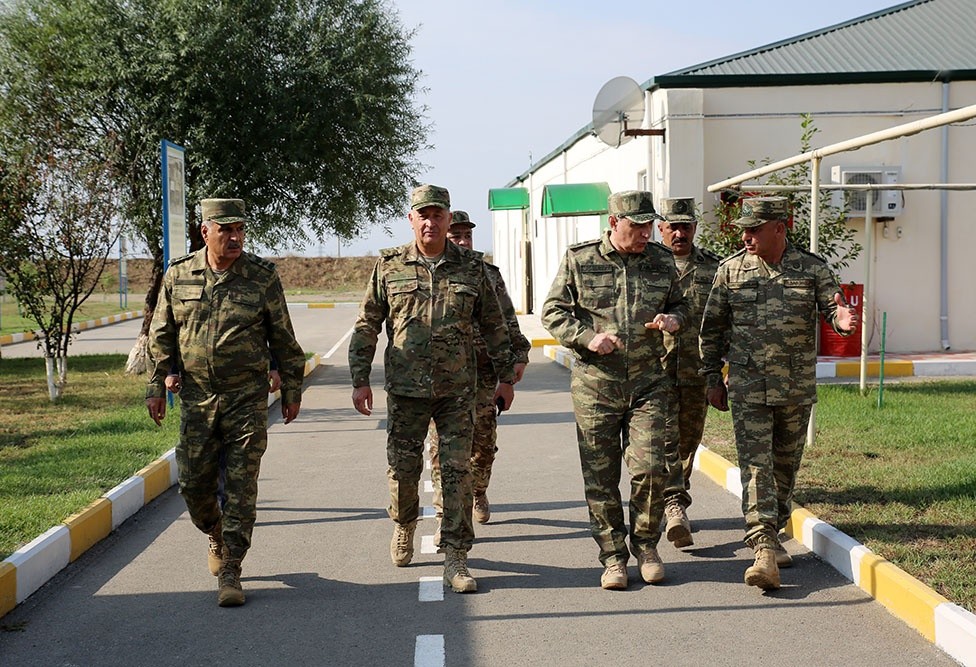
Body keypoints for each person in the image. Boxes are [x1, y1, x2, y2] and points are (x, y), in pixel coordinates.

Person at [348, 185, 517, 594]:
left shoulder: (472, 268)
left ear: (447, 217)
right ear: (411, 219)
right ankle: (404, 523)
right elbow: (367, 323)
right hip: (405, 390)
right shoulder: (389, 266)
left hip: (457, 391)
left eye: (437, 214)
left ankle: (456, 556)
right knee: (403, 470)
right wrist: (359, 378)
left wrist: (507, 377)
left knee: (457, 473)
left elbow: (495, 326)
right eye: (423, 214)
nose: (431, 222)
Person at [146, 198, 305, 608]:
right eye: (225, 230)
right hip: (197, 399)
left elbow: (284, 339)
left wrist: (291, 388)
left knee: (241, 488)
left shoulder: (261, 276)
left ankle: (232, 568)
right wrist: (155, 384)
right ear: (206, 232)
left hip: (246, 400)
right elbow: (161, 335)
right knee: (194, 485)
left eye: (239, 230)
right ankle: (214, 531)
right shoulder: (179, 275)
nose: (234, 238)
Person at [699, 196, 857, 591]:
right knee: (756, 468)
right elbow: (712, 330)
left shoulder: (812, 268)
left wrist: (843, 321)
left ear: (779, 229)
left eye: (755, 230)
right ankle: (763, 548)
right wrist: (711, 379)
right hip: (749, 388)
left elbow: (833, 312)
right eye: (745, 231)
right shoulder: (731, 270)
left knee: (784, 467)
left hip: (795, 388)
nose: (748, 237)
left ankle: (775, 528)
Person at [542, 190, 687, 590]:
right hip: (596, 386)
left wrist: (673, 319)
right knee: (601, 476)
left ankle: (647, 546)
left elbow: (684, 305)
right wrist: (586, 337)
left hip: (648, 383)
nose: (644, 233)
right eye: (635, 226)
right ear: (613, 223)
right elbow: (552, 312)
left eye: (647, 225)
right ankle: (612, 557)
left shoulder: (661, 261)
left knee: (651, 468)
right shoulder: (580, 259)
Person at [428, 211, 530, 539]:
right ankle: (446, 514)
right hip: (442, 375)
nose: (463, 242)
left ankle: (478, 490)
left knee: (483, 446)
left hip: (483, 374)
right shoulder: (435, 273)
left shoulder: (488, 273)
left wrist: (518, 356)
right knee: (441, 446)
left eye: (467, 236)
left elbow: (505, 318)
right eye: (456, 236)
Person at [655, 197, 722, 548]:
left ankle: (672, 501)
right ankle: (674, 504)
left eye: (686, 226)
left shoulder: (714, 267)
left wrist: (721, 370)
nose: (679, 233)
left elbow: (726, 319)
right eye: (672, 226)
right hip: (655, 372)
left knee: (687, 442)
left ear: (695, 227)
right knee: (663, 441)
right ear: (660, 228)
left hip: (697, 371)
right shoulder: (647, 264)